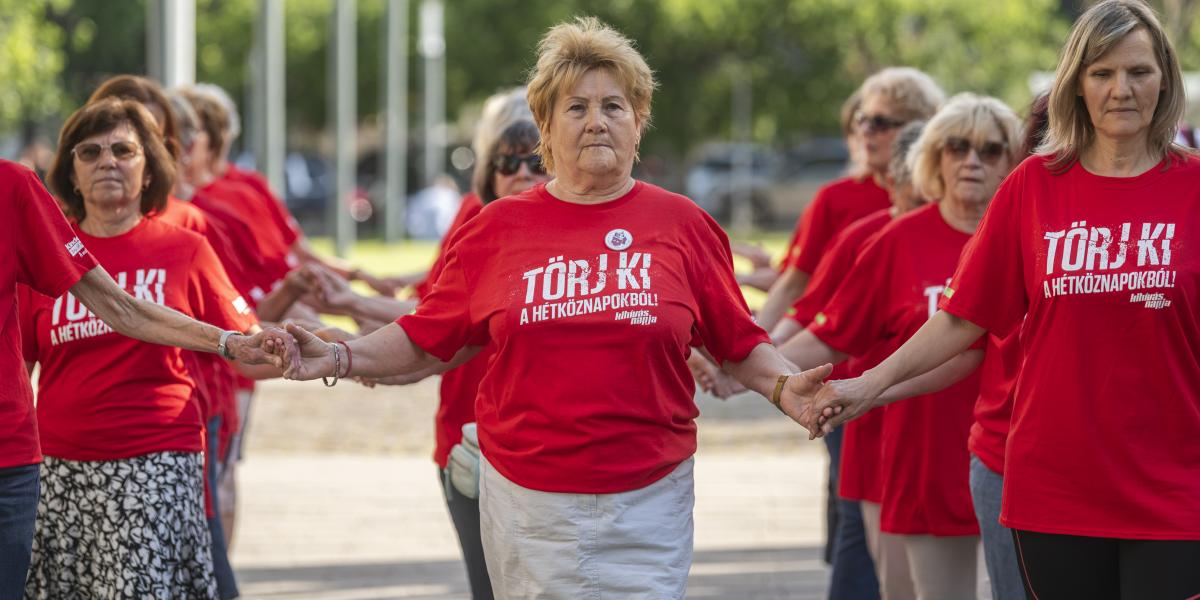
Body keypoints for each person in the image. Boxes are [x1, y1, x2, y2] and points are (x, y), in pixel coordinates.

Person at [272, 17, 824, 599]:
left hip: (649, 496)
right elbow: (425, 336)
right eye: (576, 107)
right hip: (526, 501)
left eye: (614, 106)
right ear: (545, 127)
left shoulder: (683, 224)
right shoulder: (497, 229)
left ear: (639, 125)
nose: (596, 121)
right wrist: (337, 355)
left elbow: (739, 342)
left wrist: (790, 389)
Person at [803, 2, 1200, 597]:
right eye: (1102, 73)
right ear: (1077, 85)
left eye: (1138, 71)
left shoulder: (1193, 188)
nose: (1122, 89)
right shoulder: (1032, 189)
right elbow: (961, 319)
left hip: (1176, 490)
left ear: (1164, 79)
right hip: (1054, 492)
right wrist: (868, 386)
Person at [19, 97, 280, 599]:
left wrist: (336, 352)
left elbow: (244, 342)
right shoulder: (48, 261)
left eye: (123, 149)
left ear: (148, 167)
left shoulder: (185, 249)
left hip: (156, 461)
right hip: (60, 469)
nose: (107, 162)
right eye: (89, 153)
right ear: (71, 174)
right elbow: (20, 367)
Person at [776, 93, 1021, 598]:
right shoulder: (898, 239)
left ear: (1012, 162)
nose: (972, 160)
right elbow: (832, 330)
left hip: (1014, 452)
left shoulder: (1027, 237)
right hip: (924, 453)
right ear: (936, 158)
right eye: (957, 147)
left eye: (991, 149)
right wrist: (750, 369)